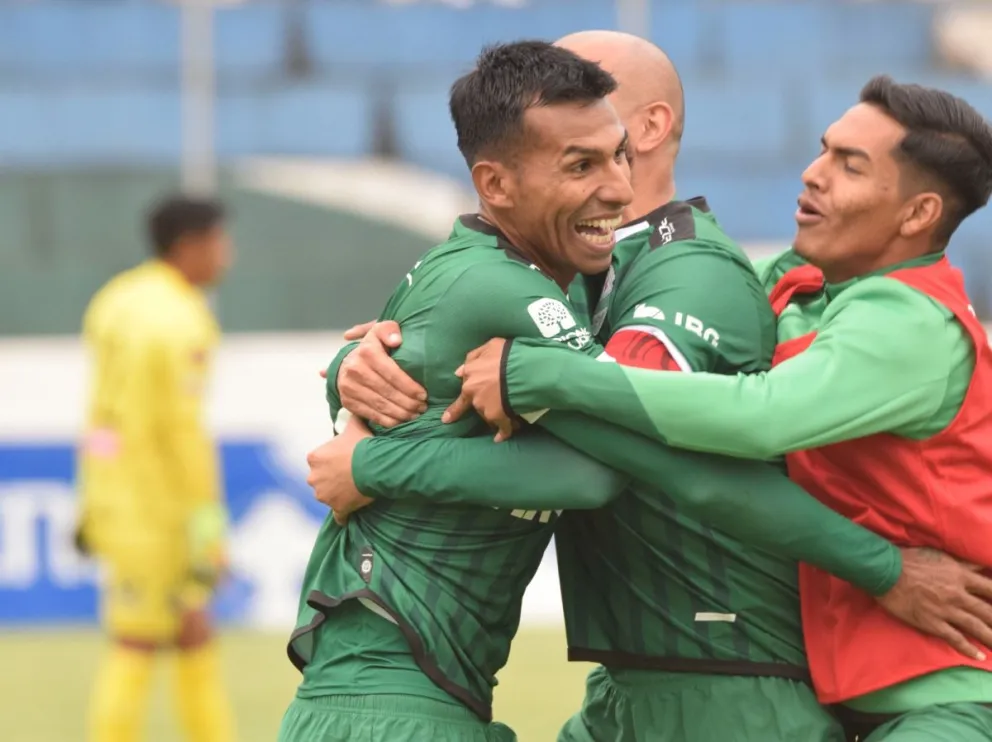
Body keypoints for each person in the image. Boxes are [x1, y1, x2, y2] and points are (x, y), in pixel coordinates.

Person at [311, 36, 992, 742]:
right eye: (822, 150)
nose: (810, 174)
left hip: (742, 676)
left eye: (848, 164)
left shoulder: (722, 278)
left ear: (645, 128)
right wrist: (364, 363)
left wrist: (386, 458)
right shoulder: (776, 284)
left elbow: (662, 438)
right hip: (684, 676)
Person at [277, 40, 634, 742]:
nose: (618, 187)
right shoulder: (501, 286)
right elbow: (606, 463)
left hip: (398, 692)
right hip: (393, 700)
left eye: (620, 156)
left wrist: (350, 368)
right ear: (496, 186)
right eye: (581, 165)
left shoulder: (476, 268)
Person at [75, 195, 235, 742]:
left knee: (192, 634)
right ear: (189, 246)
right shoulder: (182, 320)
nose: (226, 255)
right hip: (158, 512)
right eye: (219, 242)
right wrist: (207, 529)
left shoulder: (114, 300)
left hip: (114, 501)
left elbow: (101, 415)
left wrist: (90, 500)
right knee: (137, 644)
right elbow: (182, 436)